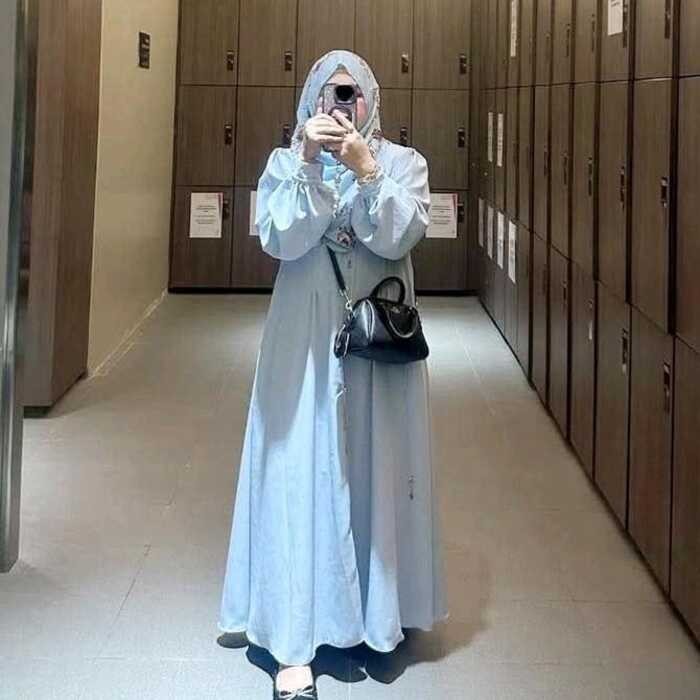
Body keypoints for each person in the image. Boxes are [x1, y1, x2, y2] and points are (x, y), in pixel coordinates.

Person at [217, 50, 449, 700]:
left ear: (372, 99)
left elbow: (399, 237)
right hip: (304, 340)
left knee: (377, 462)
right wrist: (310, 162)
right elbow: (281, 239)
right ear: (312, 102)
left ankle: (376, 616)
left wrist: (368, 171)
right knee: (299, 467)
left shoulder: (403, 163)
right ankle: (292, 639)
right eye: (331, 93)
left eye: (354, 93)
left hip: (375, 339)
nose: (344, 104)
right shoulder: (286, 164)